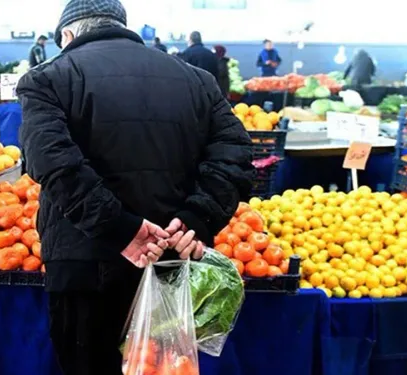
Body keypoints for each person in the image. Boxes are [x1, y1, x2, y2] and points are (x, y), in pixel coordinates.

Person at [16, 0, 254, 373]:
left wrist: (120, 229)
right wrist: (196, 219)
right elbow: (237, 154)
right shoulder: (196, 80)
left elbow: (51, 161)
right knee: (162, 367)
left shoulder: (47, 77)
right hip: (170, 261)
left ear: (67, 34)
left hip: (83, 266)